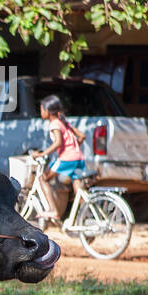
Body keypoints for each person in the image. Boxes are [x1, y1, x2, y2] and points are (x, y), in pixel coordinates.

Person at [29, 94, 86, 225]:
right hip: (79, 158)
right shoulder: (64, 123)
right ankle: (84, 216)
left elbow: (58, 142)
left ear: (48, 111)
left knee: (42, 178)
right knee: (78, 191)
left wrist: (42, 154)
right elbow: (82, 136)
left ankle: (53, 210)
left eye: (42, 109)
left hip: (67, 159)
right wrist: (73, 148)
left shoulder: (54, 123)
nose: (41, 112)